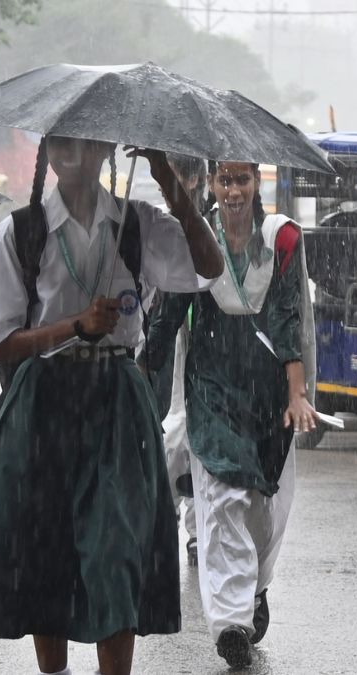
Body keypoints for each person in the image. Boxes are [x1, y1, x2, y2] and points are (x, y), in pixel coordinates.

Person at [0, 135, 224, 675]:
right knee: (48, 547)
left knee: (116, 548)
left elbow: (209, 268)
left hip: (116, 399)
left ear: (107, 150)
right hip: (43, 401)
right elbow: (0, 343)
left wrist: (169, 182)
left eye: (86, 141)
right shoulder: (20, 232)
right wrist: (74, 327)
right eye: (60, 140)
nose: (72, 150)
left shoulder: (137, 224)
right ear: (47, 150)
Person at [145, 160, 315, 669]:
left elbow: (286, 314)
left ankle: (255, 589)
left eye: (243, 179)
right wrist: (138, 370)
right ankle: (230, 624)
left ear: (255, 183)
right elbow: (170, 314)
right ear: (213, 185)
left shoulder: (281, 239)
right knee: (221, 499)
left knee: (264, 506)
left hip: (267, 391)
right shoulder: (195, 238)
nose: (234, 189)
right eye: (226, 180)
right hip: (212, 386)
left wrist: (296, 393)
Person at [151, 151, 209, 566]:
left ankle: (192, 527)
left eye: (168, 175)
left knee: (183, 439)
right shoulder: (160, 222)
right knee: (172, 437)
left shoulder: (201, 226)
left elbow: (178, 297)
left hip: (186, 346)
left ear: (189, 180)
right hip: (168, 344)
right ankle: (174, 522)